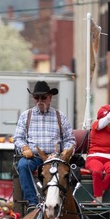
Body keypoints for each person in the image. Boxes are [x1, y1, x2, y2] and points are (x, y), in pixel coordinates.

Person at [12, 80, 75, 208]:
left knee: (67, 171)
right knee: (23, 165)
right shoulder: (26, 116)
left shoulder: (60, 117)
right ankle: (32, 202)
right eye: (36, 97)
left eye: (43, 97)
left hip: (55, 158)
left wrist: (65, 152)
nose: (40, 100)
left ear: (50, 98)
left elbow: (70, 140)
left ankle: (65, 202)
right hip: (34, 157)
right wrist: (24, 147)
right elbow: (18, 138)